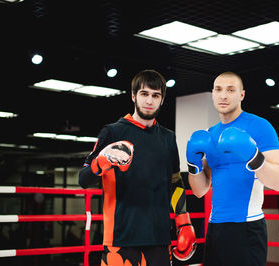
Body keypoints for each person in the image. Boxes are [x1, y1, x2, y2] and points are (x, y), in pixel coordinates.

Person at [79, 69, 196, 266]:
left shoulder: (168, 138)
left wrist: (183, 220)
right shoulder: (112, 132)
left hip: (159, 239)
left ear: (162, 100)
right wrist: (101, 162)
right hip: (120, 239)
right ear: (133, 96)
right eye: (144, 94)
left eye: (155, 95)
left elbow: (175, 183)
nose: (149, 101)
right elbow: (83, 180)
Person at [186, 71, 279, 266]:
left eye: (231, 90)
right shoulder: (210, 134)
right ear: (213, 94)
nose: (223, 95)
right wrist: (193, 165)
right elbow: (199, 190)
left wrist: (253, 156)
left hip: (247, 227)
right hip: (215, 228)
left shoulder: (260, 127)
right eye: (219, 90)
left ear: (242, 95)